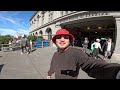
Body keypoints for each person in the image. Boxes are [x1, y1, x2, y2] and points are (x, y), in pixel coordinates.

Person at [47, 28, 120, 79]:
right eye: (59, 37)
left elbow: (90, 64)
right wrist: (49, 74)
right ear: (55, 41)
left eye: (66, 37)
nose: (62, 40)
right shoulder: (55, 54)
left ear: (69, 41)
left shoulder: (76, 53)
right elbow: (52, 65)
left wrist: (116, 72)